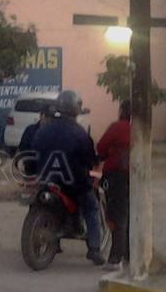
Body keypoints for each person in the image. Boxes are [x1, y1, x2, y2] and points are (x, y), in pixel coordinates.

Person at [31, 89, 104, 266]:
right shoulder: (80, 133)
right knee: (92, 207)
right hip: (73, 183)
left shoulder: (44, 129)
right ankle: (94, 249)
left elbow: (33, 151)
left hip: (46, 178)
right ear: (75, 108)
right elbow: (89, 159)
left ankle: (54, 240)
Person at [97, 100, 131, 269]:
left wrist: (109, 152)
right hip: (133, 177)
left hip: (116, 176)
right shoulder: (139, 129)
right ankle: (128, 255)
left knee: (116, 216)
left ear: (122, 111)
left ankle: (115, 258)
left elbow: (101, 147)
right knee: (128, 214)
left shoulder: (117, 127)